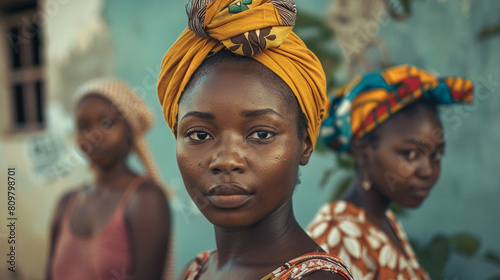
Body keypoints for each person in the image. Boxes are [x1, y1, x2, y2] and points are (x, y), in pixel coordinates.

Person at [156, 0, 353, 279]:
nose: (226, 161)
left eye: (261, 134)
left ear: (306, 142)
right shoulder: (197, 270)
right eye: (199, 134)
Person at [306, 65, 474, 279]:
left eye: (436, 155)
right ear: (362, 150)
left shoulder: (383, 220)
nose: (428, 171)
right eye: (411, 154)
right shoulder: (337, 237)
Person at [47, 79, 172, 280]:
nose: (93, 136)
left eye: (107, 123)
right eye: (83, 126)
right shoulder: (66, 203)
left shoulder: (145, 199)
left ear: (129, 131)